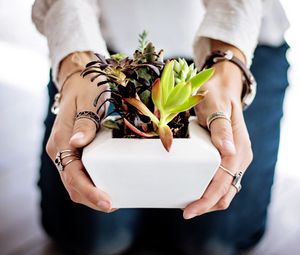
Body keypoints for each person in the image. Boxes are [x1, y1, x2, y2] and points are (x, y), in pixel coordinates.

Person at [32, 0, 289, 254]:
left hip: (241, 45)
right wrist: (76, 62)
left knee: (213, 242)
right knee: (94, 239)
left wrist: (228, 61)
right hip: (108, 53)